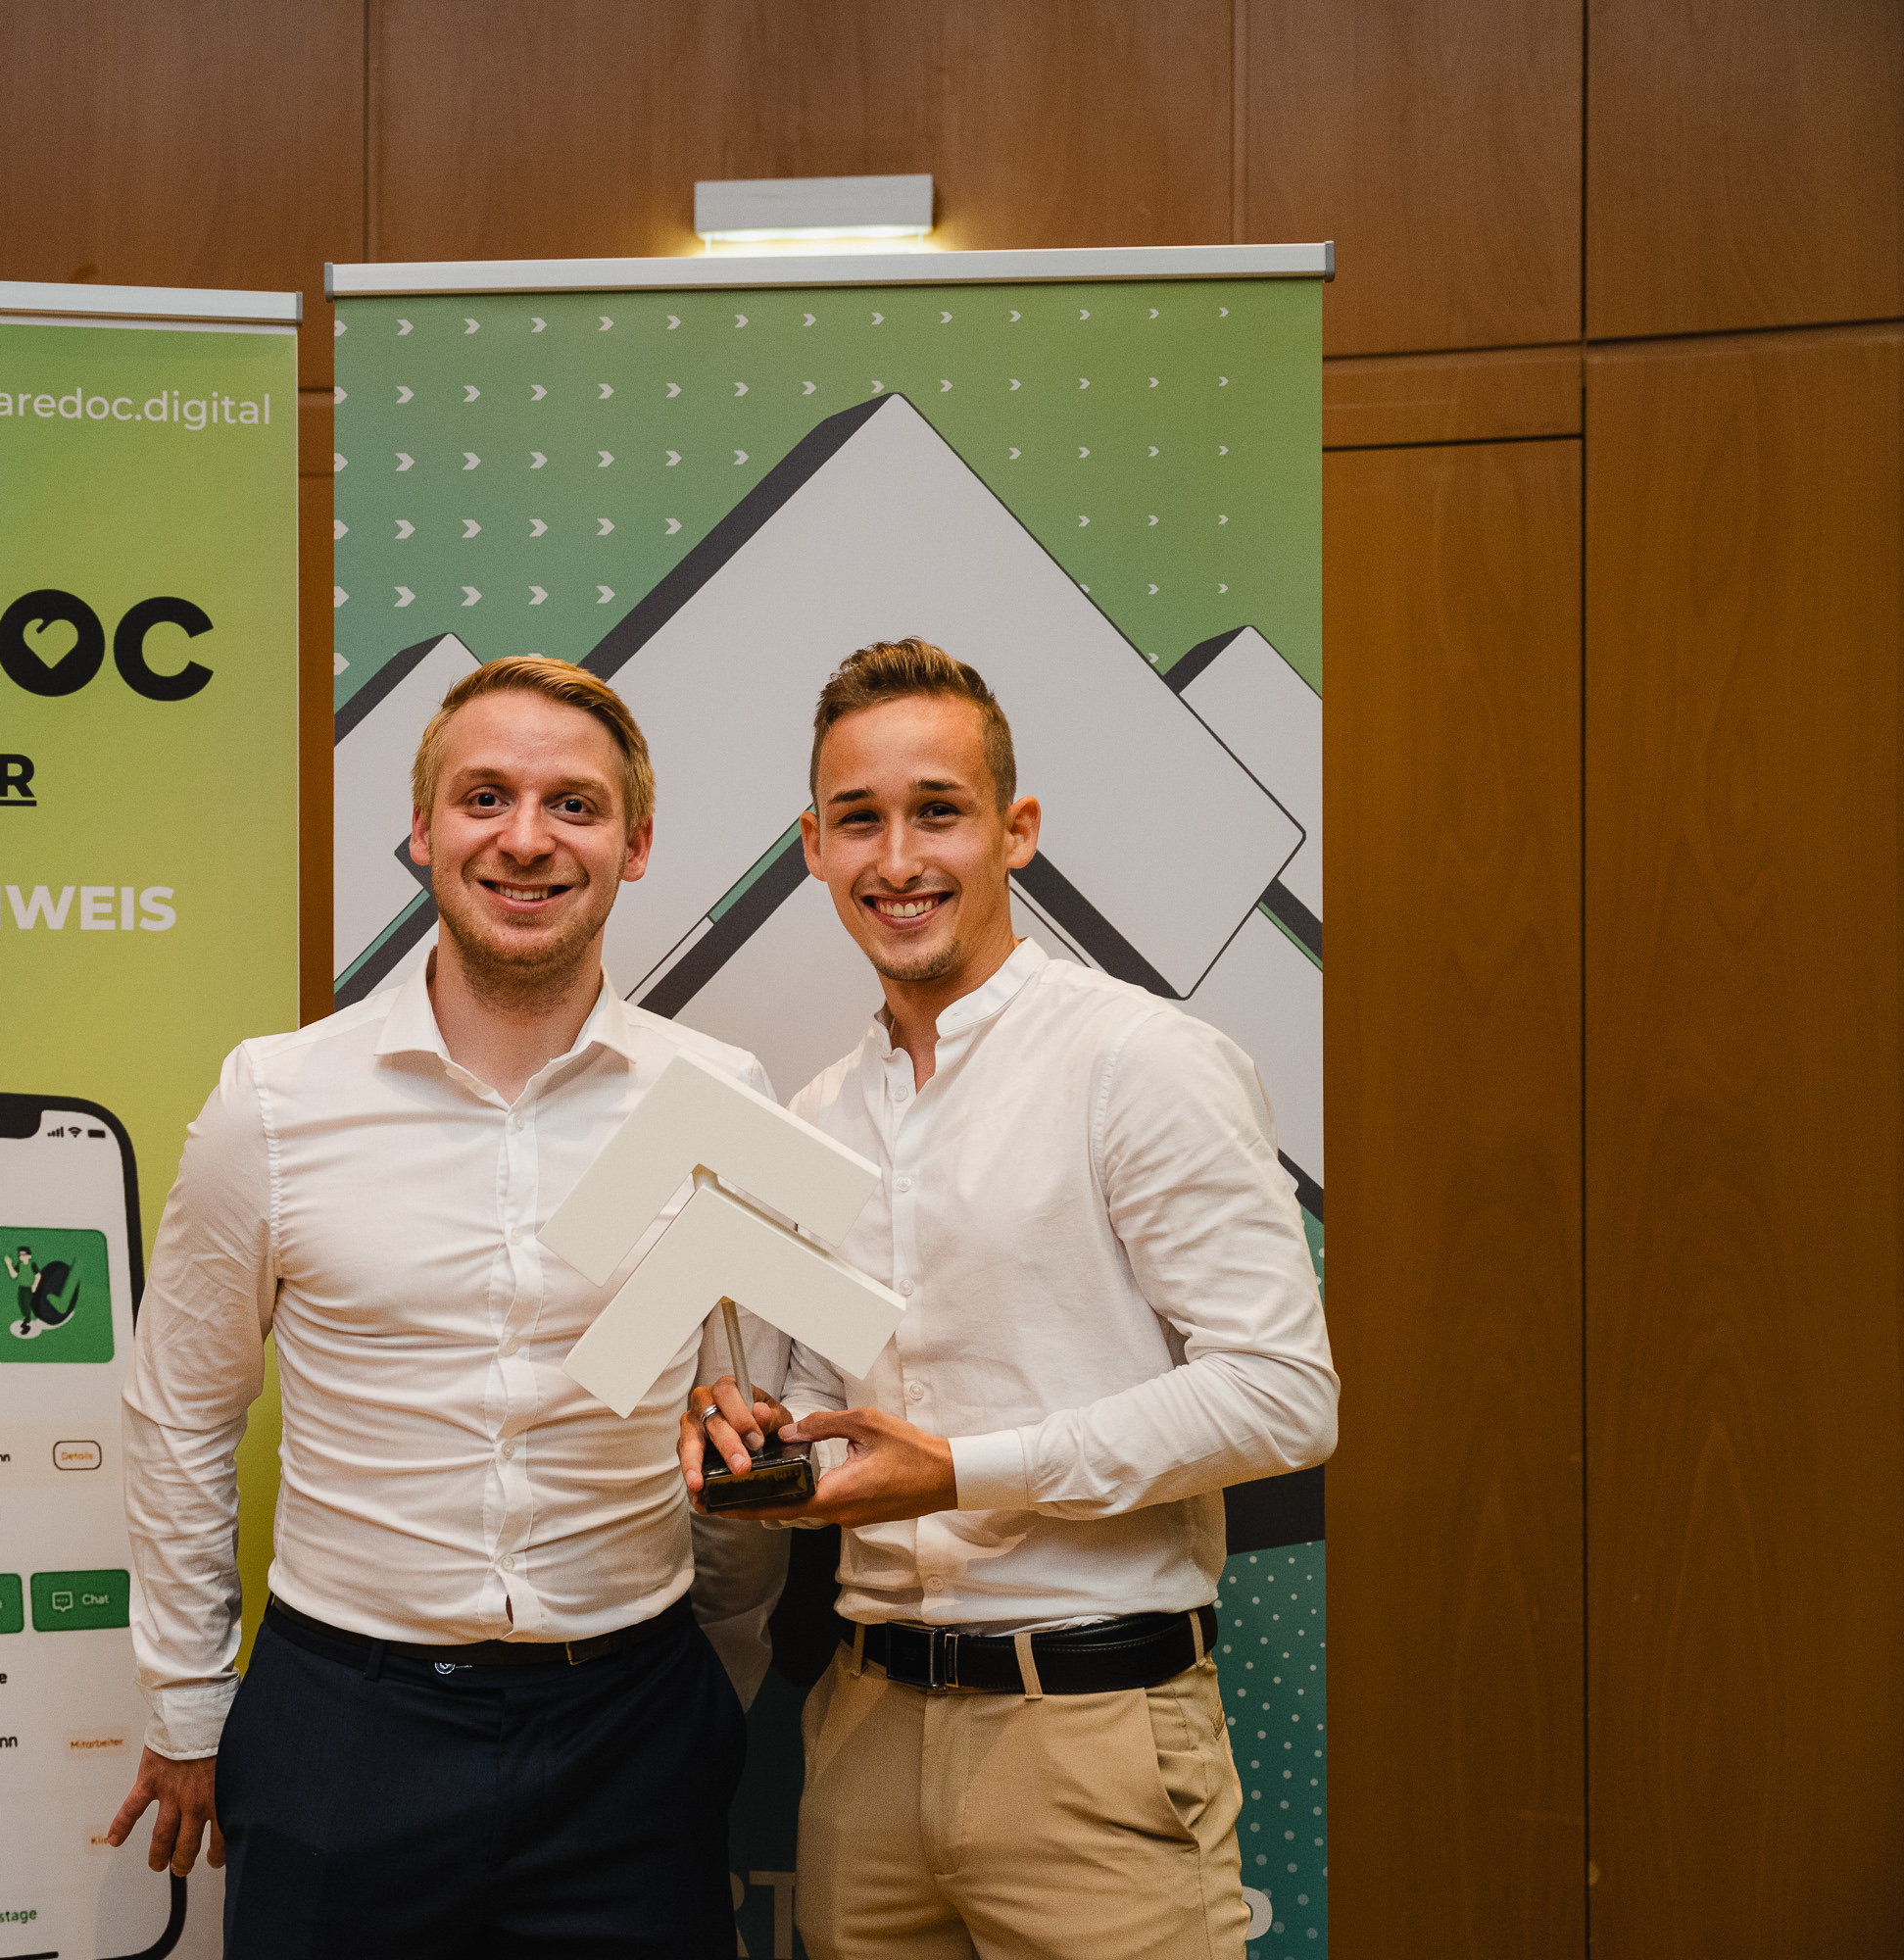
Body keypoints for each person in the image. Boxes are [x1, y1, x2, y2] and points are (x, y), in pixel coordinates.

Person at [684, 638, 1338, 1960]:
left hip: (1093, 1732)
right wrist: (757, 1435)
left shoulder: (1141, 1062)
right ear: (813, 848)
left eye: (938, 810)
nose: (897, 859)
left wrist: (961, 1470)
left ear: (1015, 830)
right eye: (858, 819)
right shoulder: (814, 1117)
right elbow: (826, 1409)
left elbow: (1284, 1397)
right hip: (863, 1738)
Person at [111, 657, 758, 1957]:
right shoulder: (276, 1100)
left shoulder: (720, 1100)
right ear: (421, 832)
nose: (527, 837)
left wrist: (718, 1684)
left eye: (574, 805)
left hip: (633, 1729)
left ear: (635, 847)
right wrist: (186, 1701)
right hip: (345, 1727)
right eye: (485, 797)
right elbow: (179, 1412)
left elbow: (738, 1412)